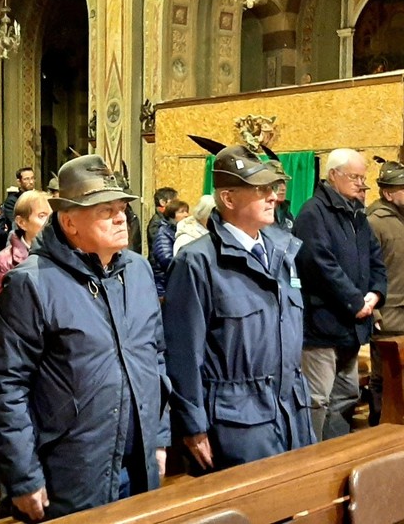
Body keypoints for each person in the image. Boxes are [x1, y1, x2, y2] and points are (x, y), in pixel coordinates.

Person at [0, 155, 171, 521]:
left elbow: (155, 357)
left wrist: (159, 437)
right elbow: (5, 387)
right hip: (70, 469)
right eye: (105, 211)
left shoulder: (138, 270)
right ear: (69, 221)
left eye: (121, 208)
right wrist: (23, 475)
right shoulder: (32, 282)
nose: (121, 218)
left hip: (139, 459)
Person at [164, 145, 315, 474]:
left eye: (272, 188)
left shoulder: (282, 251)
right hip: (237, 420)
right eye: (261, 190)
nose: (273, 196)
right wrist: (193, 426)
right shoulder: (197, 261)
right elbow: (183, 352)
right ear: (229, 199)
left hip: (292, 409)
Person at [294, 148, 387, 441]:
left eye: (363, 177)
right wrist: (354, 300)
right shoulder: (313, 213)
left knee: (346, 394)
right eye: (355, 176)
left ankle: (335, 455)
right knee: (317, 398)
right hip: (322, 325)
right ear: (333, 175)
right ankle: (310, 461)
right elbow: (318, 264)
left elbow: (375, 257)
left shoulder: (357, 213)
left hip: (351, 324)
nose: (361, 183)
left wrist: (375, 293)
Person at [366, 160, 404, 425]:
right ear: (387, 193)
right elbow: (364, 269)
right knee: (385, 377)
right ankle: (380, 430)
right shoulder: (374, 222)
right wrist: (374, 311)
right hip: (389, 316)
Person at [0, 190, 52, 331]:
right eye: (42, 216)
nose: (48, 223)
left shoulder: (63, 255)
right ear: (22, 222)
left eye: (51, 216)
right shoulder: (3, 263)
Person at [151, 199, 189, 298]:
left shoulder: (180, 230)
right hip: (164, 287)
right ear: (172, 215)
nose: (186, 215)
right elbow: (166, 259)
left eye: (186, 211)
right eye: (181, 212)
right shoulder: (164, 231)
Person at [146, 186, 178, 252]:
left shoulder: (167, 219)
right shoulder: (157, 223)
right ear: (162, 202)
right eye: (174, 202)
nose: (176, 205)